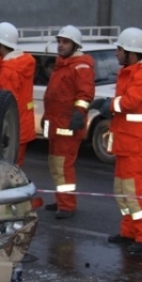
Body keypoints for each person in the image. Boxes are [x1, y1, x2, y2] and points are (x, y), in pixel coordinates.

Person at [99, 27, 142, 253]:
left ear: (132, 53)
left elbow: (130, 101)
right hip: (127, 142)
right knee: (123, 190)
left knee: (133, 192)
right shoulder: (133, 71)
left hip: (135, 144)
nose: (116, 53)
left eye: (119, 49)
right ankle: (130, 231)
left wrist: (108, 105)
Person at [43, 25, 95, 219]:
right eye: (59, 41)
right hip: (56, 124)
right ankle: (61, 200)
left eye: (65, 42)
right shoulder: (63, 65)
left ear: (75, 45)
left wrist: (79, 113)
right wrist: (46, 116)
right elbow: (55, 96)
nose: (60, 45)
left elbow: (85, 94)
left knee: (63, 166)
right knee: (55, 165)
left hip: (67, 126)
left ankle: (67, 205)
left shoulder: (80, 66)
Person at [0, 21, 36, 167]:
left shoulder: (9, 71)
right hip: (22, 125)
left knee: (8, 169)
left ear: (1, 44)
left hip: (11, 129)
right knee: (16, 166)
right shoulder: (21, 64)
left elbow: (5, 105)